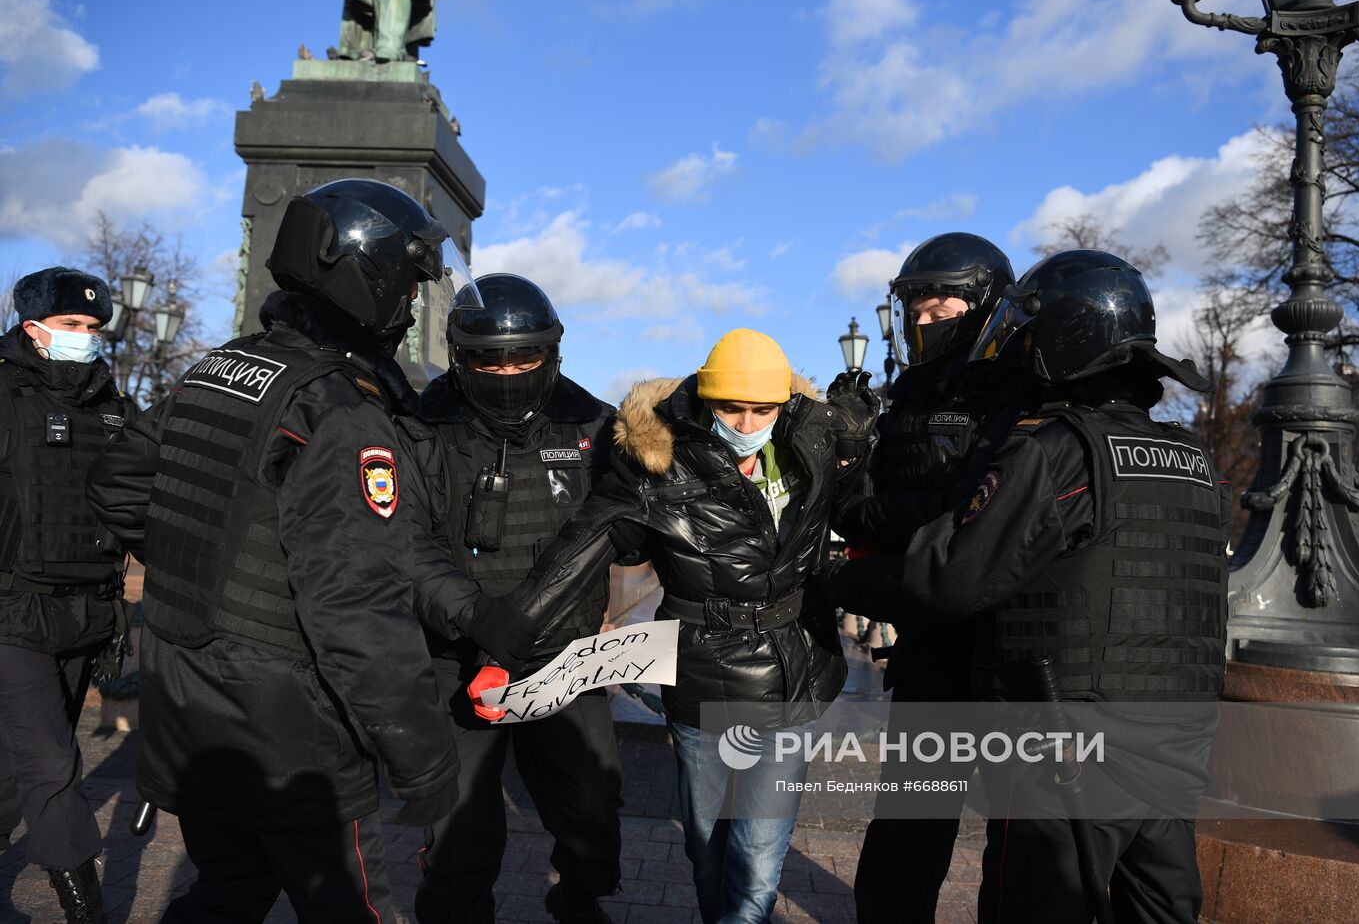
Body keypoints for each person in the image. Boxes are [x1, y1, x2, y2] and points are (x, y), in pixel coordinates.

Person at [86, 179, 540, 923]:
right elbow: (357, 610)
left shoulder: (218, 369)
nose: (412, 304)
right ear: (367, 279)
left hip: (185, 691)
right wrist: (424, 760)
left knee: (229, 889)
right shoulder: (340, 412)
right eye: (408, 284)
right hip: (289, 727)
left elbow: (118, 485)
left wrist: (213, 579)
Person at [827, 250, 1229, 924]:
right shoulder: (1193, 457)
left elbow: (952, 573)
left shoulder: (1058, 450)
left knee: (1034, 900)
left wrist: (839, 575)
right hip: (1177, 737)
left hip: (1069, 740)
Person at [489, 328, 878, 924]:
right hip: (702, 677)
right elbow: (575, 555)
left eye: (763, 410)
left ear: (783, 405)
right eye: (732, 408)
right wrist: (502, 647)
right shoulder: (656, 465)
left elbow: (866, 510)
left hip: (794, 672)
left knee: (758, 860)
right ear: (706, 400)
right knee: (707, 847)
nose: (748, 424)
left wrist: (861, 446)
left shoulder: (812, 441)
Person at [404, 273, 622, 924]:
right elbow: (403, 545)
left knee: (594, 814)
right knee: (459, 836)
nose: (508, 374)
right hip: (458, 657)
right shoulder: (420, 426)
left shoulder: (594, 425)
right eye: (489, 361)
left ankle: (577, 896)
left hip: (565, 658)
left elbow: (635, 521)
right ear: (459, 357)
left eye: (524, 359)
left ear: (551, 353)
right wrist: (476, 616)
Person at [831, 232, 1031, 923]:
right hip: (933, 648)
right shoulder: (912, 392)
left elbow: (977, 514)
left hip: (1010, 647)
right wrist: (850, 451)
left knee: (1020, 843)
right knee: (909, 827)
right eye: (913, 305)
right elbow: (877, 501)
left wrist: (874, 516)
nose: (921, 318)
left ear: (985, 303)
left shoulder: (1023, 387)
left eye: (938, 304)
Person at [0, 267, 134, 924]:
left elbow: (141, 494)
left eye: (94, 326)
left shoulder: (113, 404)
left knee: (17, 763)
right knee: (54, 762)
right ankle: (85, 906)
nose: (86, 335)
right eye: (71, 324)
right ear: (33, 328)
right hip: (13, 609)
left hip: (89, 610)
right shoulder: (4, 391)